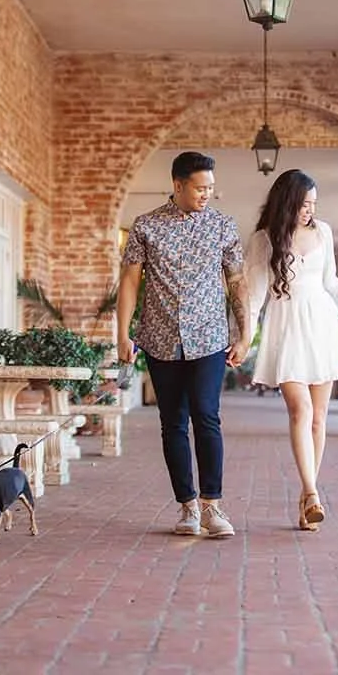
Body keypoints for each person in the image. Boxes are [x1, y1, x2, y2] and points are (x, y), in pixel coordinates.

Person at [117, 151, 248, 538]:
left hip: (209, 337)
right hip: (160, 339)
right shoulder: (146, 226)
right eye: (200, 187)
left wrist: (246, 332)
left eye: (210, 187)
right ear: (178, 185)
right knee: (172, 422)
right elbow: (129, 282)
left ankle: (212, 507)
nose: (207, 193)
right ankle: (187, 508)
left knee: (206, 415)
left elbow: (237, 281)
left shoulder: (223, 226)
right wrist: (122, 334)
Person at [243, 168, 338, 531]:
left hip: (324, 325)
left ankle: (306, 496)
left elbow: (330, 281)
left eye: (313, 204)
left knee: (318, 417)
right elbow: (253, 297)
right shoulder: (264, 240)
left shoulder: (323, 232)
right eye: (303, 204)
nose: (309, 211)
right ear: (288, 202)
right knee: (301, 410)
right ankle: (311, 493)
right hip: (286, 328)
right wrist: (243, 337)